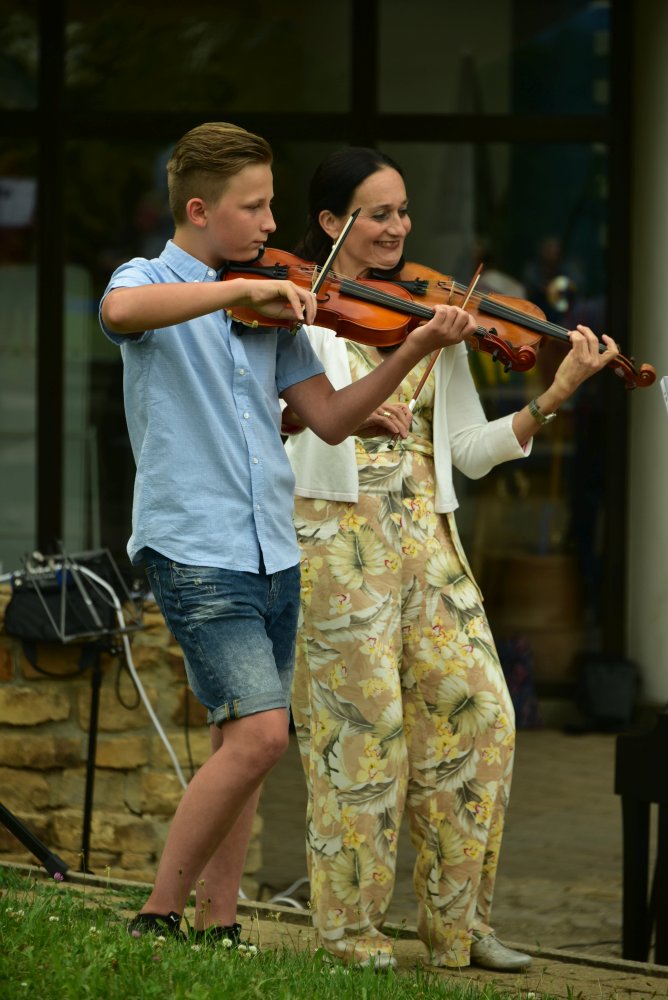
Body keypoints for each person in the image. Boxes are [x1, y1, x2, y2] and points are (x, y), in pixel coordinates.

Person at [98, 122, 477, 945]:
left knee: (246, 746)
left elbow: (331, 421)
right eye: (256, 206)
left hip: (272, 547)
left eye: (272, 205)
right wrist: (237, 294)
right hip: (195, 549)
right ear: (200, 210)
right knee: (266, 735)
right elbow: (120, 310)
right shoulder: (155, 279)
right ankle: (156, 914)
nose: (274, 224)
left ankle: (219, 922)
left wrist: (411, 346)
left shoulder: (276, 307)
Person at [282, 147, 619, 971]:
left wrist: (554, 394)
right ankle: (350, 933)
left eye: (401, 211)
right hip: (334, 543)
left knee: (485, 721)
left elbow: (465, 450)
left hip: (426, 544)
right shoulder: (290, 312)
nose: (397, 227)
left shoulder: (433, 315)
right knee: (363, 741)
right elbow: (285, 430)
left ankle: (459, 926)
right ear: (332, 223)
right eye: (377, 213)